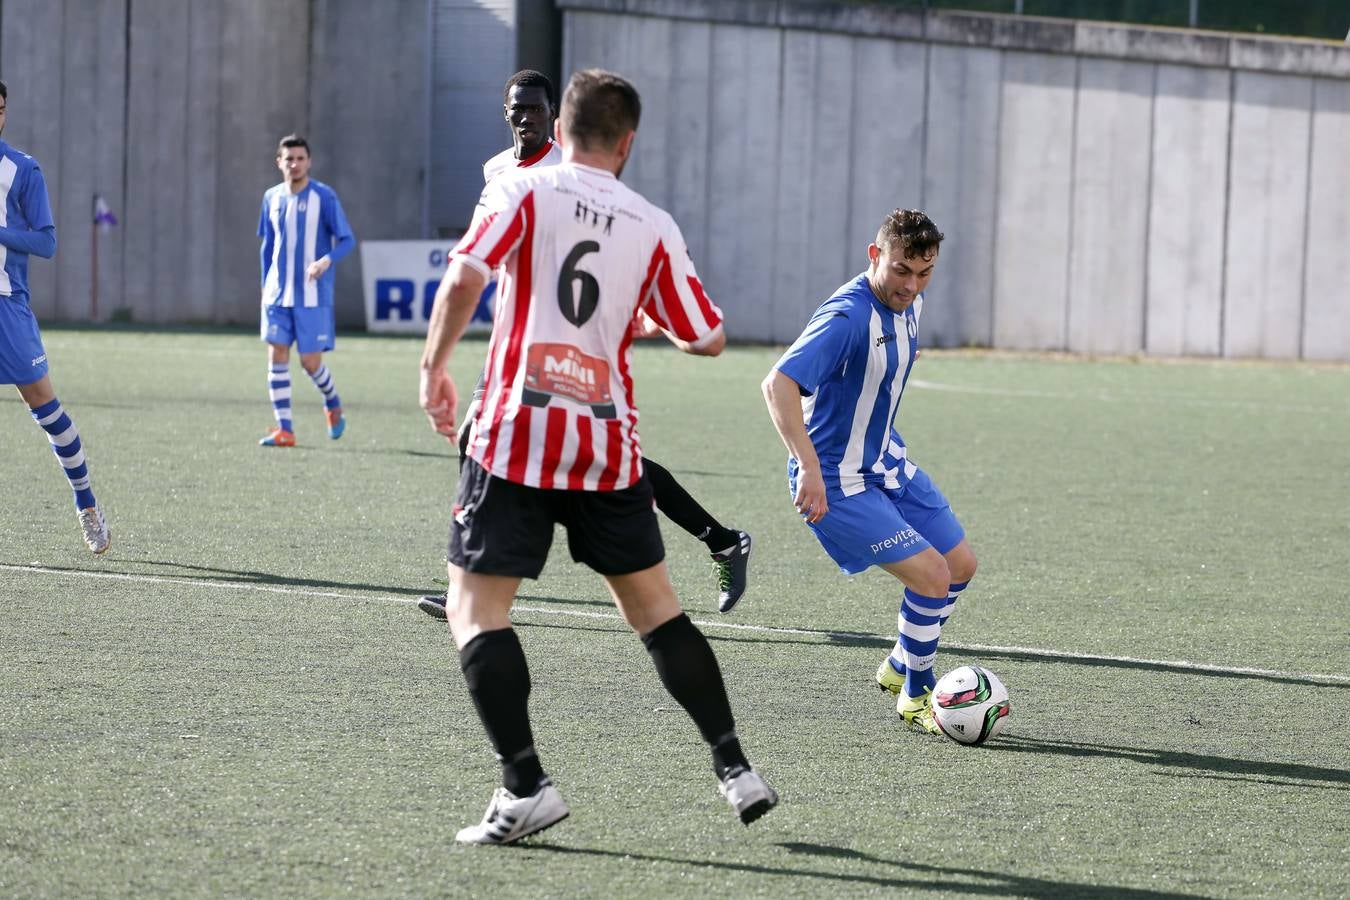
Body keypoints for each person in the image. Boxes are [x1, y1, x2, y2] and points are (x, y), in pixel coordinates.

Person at [419, 68, 777, 844]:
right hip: (606, 447)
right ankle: (735, 767)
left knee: (475, 609)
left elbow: (466, 275)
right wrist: (651, 318)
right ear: (628, 142)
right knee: (657, 614)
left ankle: (525, 785)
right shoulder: (652, 224)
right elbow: (709, 336)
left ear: (562, 127)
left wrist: (433, 369)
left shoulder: (524, 190)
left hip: (516, 432)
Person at [417, 70, 751, 620]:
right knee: (479, 437)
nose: (524, 117)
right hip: (522, 340)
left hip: (579, 340)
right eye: (515, 108)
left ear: (557, 116)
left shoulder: (566, 171)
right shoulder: (498, 171)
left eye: (535, 108)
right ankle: (474, 578)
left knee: (608, 466)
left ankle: (719, 538)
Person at [761, 209, 977, 736]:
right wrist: (807, 468)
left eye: (925, 273)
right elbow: (777, 386)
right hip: (835, 481)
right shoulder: (846, 318)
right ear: (874, 255)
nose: (912, 285)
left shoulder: (911, 302)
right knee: (931, 577)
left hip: (885, 461)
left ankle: (902, 661)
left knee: (961, 564)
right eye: (902, 270)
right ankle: (917, 696)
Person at [0, 80, 110, 554]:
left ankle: (86, 504)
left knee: (44, 406)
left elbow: (46, 242)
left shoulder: (22, 169)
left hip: (6, 304)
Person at [256, 135, 355, 447]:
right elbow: (267, 246)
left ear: (309, 162)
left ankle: (332, 402)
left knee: (310, 363)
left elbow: (347, 240)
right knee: (276, 355)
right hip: (276, 295)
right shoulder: (271, 197)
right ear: (279, 163)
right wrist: (264, 285)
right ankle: (285, 429)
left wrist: (326, 261)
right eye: (289, 159)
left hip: (312, 295)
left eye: (300, 158)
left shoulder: (324, 197)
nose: (295, 164)